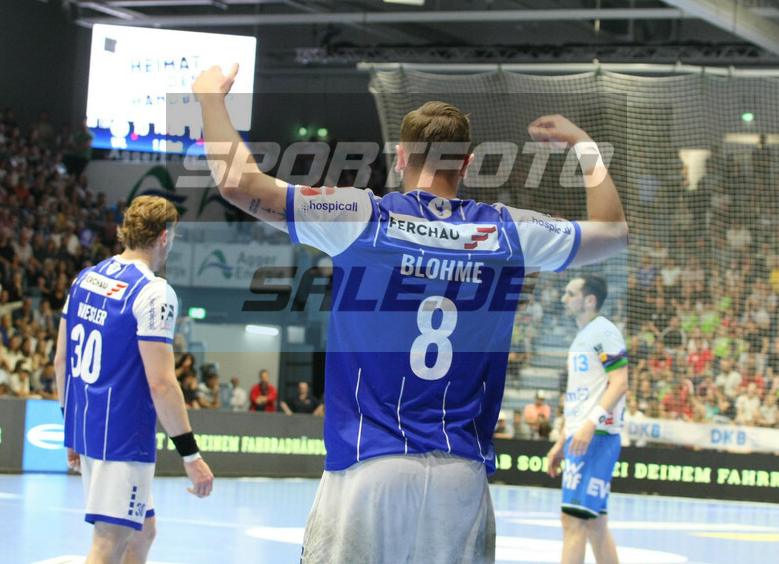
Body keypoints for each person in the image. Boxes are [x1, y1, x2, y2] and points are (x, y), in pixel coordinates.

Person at [195, 63, 627, 563]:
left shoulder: (362, 216)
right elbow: (613, 232)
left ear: (400, 157)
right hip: (460, 475)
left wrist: (210, 98)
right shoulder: (506, 232)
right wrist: (583, 145)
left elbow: (239, 184)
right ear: (466, 164)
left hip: (369, 466)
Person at [55, 195, 213, 564]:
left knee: (144, 531)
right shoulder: (153, 292)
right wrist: (191, 455)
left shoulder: (85, 278)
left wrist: (71, 429)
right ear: (164, 237)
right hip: (123, 438)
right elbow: (162, 384)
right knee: (108, 543)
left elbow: (61, 361)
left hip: (90, 428)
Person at [546, 275, 628, 564]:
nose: (564, 298)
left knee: (572, 521)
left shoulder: (603, 331)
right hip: (582, 436)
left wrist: (590, 424)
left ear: (589, 300)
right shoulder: (583, 335)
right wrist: (562, 441)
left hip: (596, 437)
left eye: (570, 293)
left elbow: (620, 382)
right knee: (595, 524)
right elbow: (580, 399)